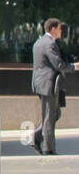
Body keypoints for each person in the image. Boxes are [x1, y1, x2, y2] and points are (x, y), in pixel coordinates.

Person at [30, 18, 75, 155]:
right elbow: (58, 64)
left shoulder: (40, 42)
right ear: (54, 29)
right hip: (47, 84)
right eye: (60, 28)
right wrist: (74, 66)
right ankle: (48, 148)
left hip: (42, 83)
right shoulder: (49, 44)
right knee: (50, 115)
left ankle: (37, 136)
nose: (62, 31)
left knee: (54, 113)